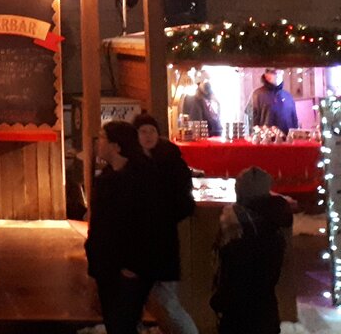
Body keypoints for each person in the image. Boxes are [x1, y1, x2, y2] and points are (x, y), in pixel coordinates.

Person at [85, 120, 158, 334]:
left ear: (116, 146)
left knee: (123, 324)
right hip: (105, 264)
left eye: (102, 138)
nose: (98, 143)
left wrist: (134, 265)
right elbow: (98, 225)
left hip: (130, 267)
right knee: (113, 322)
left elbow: (148, 224)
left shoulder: (141, 177)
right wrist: (94, 264)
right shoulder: (106, 177)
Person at [133, 113, 198, 334]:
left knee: (167, 298)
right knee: (137, 299)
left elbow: (184, 202)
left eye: (151, 131)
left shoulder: (171, 160)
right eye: (143, 131)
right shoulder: (133, 162)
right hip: (139, 243)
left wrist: (162, 216)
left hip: (163, 241)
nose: (148, 135)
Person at [211, 166, 293, 334]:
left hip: (239, 315)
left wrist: (218, 302)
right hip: (266, 310)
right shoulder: (274, 219)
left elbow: (229, 275)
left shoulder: (236, 224)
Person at [248, 69, 299, 134]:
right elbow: (249, 120)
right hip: (265, 141)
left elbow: (294, 121)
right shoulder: (257, 95)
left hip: (286, 141)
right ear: (266, 75)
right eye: (274, 72)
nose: (278, 75)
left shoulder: (288, 97)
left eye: (280, 72)